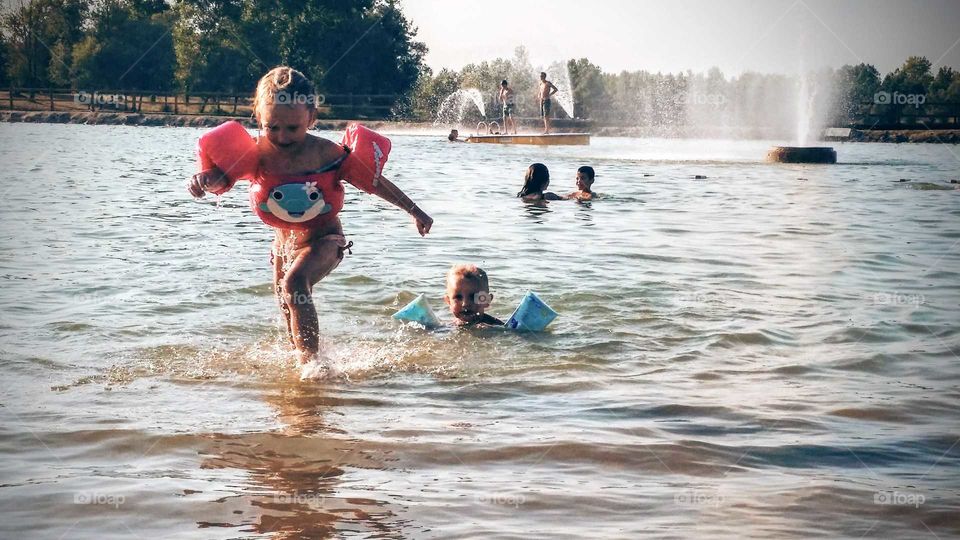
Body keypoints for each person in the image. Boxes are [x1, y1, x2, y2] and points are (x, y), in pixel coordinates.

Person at [188, 66, 433, 379]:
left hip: (325, 241)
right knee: (287, 302)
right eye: (272, 127)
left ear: (312, 118)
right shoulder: (256, 153)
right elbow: (221, 177)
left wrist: (414, 210)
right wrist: (203, 179)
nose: (282, 137)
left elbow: (374, 182)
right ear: (259, 119)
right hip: (283, 246)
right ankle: (302, 363)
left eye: (292, 128)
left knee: (294, 285)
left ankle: (312, 366)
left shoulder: (326, 153)